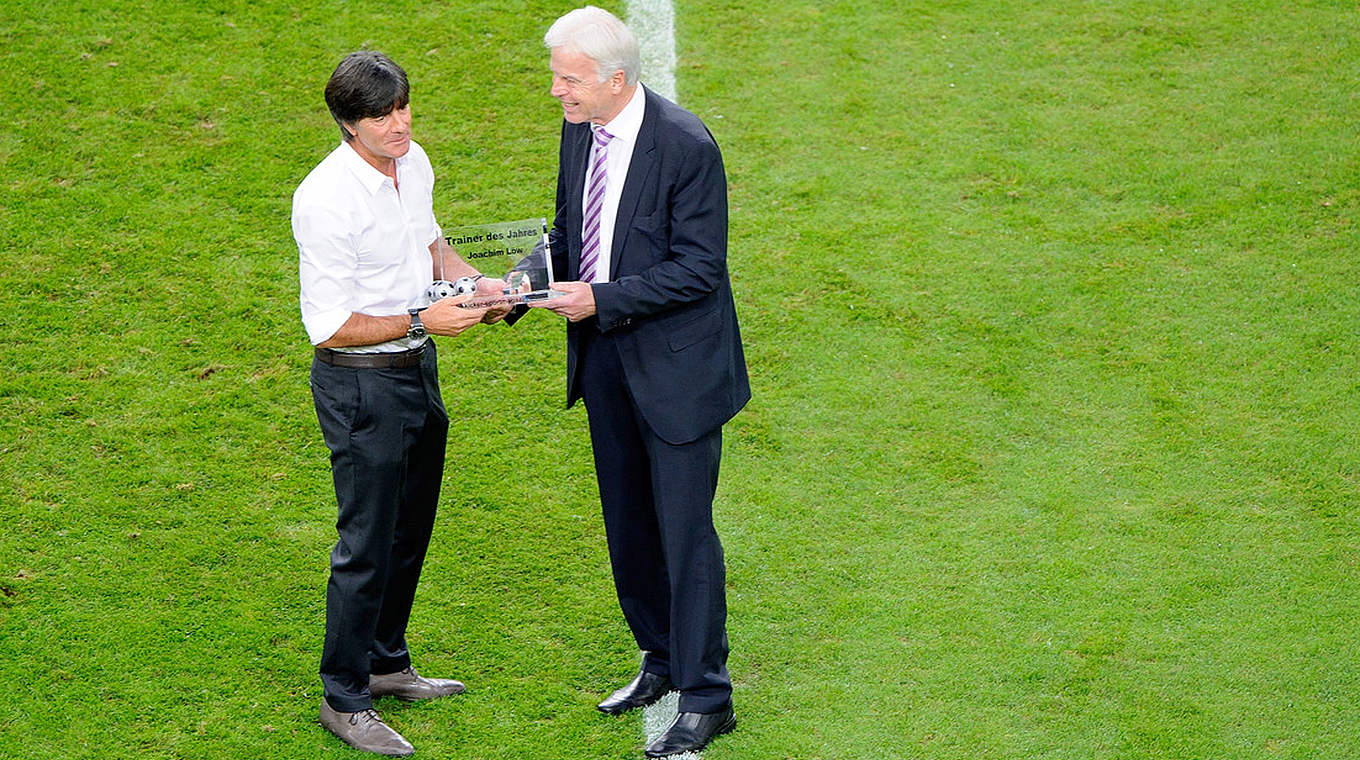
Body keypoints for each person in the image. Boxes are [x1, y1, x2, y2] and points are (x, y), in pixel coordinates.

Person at [527, 7, 751, 757]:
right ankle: (659, 659)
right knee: (628, 527)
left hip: (678, 375)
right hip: (606, 365)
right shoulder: (577, 128)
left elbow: (699, 268)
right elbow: (569, 230)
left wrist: (602, 298)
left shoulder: (686, 146)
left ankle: (708, 696)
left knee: (684, 535)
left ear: (614, 80)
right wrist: (521, 285)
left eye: (569, 79)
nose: (557, 92)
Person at [291, 50, 509, 757]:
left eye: (404, 106)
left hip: (417, 372)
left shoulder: (413, 165)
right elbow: (328, 325)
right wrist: (421, 321)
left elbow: (430, 244)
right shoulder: (324, 199)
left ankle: (385, 664)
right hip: (360, 384)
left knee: (409, 527)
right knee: (364, 542)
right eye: (383, 114)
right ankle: (343, 699)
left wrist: (482, 287)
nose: (400, 122)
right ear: (350, 125)